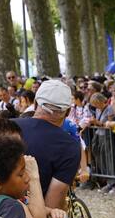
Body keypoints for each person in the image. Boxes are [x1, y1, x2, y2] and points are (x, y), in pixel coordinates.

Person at [13, 79, 80, 209]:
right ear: (67, 112)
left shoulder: (5, 126)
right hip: (35, 215)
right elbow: (53, 205)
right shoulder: (69, 146)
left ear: (36, 103)